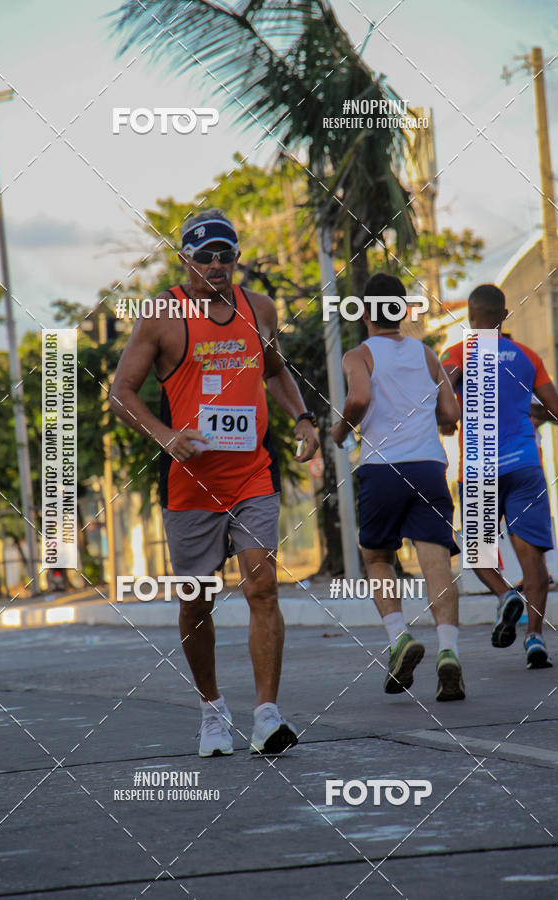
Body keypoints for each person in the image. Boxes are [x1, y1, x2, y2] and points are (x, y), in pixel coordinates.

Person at [110, 209, 319, 756]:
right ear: (185, 260)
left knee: (262, 586)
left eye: (226, 254)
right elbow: (121, 392)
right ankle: (211, 709)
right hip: (189, 481)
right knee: (195, 601)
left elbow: (274, 371)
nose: (217, 265)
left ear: (237, 259)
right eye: (204, 256)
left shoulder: (260, 309)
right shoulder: (161, 316)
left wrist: (302, 418)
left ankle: (267, 716)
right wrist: (164, 435)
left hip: (252, 472)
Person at [330, 273, 465, 701]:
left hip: (383, 468)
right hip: (428, 466)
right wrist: (440, 421)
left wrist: (339, 430)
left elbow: (360, 399)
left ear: (366, 313)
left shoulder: (359, 355)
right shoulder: (427, 355)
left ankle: (399, 638)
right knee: (436, 561)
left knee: (376, 558)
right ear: (404, 312)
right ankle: (449, 653)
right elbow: (450, 410)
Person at [441, 284, 558, 668]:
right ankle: (535, 640)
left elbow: (441, 407)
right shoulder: (528, 357)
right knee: (532, 555)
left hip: (478, 469)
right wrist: (529, 410)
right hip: (525, 465)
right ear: (505, 315)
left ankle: (505, 595)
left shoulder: (456, 354)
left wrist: (450, 419)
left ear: (471, 316)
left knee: (477, 552)